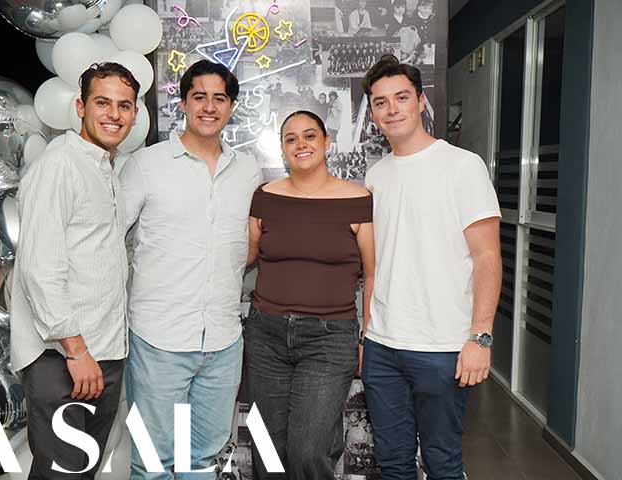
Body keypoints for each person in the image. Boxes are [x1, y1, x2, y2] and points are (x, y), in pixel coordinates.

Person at [361, 54, 502, 480]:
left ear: (421, 101)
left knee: (442, 462)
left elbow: (488, 257)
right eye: (381, 102)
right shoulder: (376, 176)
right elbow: (376, 265)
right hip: (383, 345)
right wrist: (367, 335)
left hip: (443, 347)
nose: (392, 109)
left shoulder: (462, 166)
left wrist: (480, 338)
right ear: (373, 113)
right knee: (394, 463)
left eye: (402, 97)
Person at [119, 59, 262, 479]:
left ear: (231, 107)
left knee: (205, 460)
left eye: (219, 98)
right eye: (199, 97)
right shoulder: (147, 164)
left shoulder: (248, 171)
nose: (209, 106)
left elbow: (247, 244)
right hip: (158, 339)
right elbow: (109, 239)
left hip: (222, 339)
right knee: (153, 462)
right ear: (182, 103)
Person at [10, 62, 140, 479]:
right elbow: (40, 269)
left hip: (102, 352)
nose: (113, 114)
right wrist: (77, 351)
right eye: (102, 103)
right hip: (63, 357)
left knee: (81, 472)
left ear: (135, 114)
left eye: (124, 105)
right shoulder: (59, 166)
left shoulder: (105, 170)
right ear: (81, 107)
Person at [245, 110, 375, 479]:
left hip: (329, 339)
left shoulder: (358, 199)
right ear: (283, 149)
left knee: (309, 449)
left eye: (309, 136)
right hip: (266, 334)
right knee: (267, 446)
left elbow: (373, 274)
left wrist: (366, 338)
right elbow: (246, 257)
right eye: (291, 138)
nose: (300, 144)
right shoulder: (264, 197)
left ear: (326, 142)